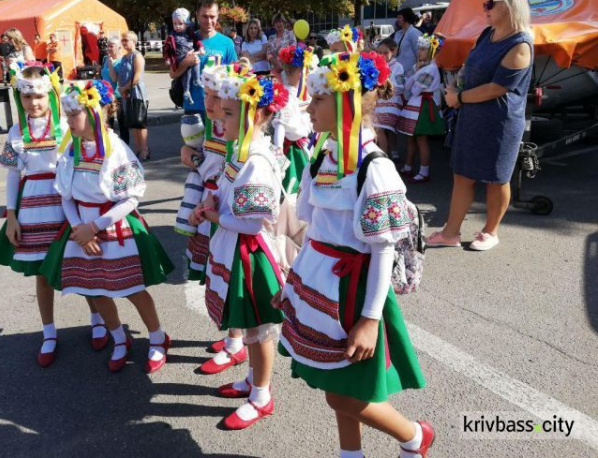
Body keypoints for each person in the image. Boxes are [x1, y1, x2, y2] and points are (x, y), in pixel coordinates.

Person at [276, 51, 433, 458]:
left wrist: (368, 320)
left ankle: (415, 438)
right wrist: (291, 282)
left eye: (319, 100)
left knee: (347, 395)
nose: (309, 108)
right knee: (336, 385)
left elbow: (382, 250)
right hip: (320, 283)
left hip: (354, 293)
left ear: (346, 101)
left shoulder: (374, 168)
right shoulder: (323, 157)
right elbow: (311, 231)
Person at [0, 66, 105, 367]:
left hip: (65, 202)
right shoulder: (15, 131)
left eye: (39, 96)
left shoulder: (65, 125)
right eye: (26, 97)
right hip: (33, 208)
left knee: (82, 264)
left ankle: (98, 319)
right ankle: (49, 332)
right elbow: (13, 176)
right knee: (41, 273)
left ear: (50, 93)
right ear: (19, 97)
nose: (33, 103)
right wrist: (11, 215)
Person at [54, 80, 174, 373]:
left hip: (112, 226)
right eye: (68, 116)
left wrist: (94, 226)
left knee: (132, 288)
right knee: (95, 290)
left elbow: (131, 198)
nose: (68, 121)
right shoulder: (72, 149)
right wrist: (80, 229)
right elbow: (66, 196)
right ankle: (119, 337)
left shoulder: (116, 149)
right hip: (82, 229)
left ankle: (158, 338)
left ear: (95, 113)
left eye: (74, 115)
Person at [195, 73, 288, 430]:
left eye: (230, 113)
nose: (221, 118)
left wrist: (216, 214)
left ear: (255, 116)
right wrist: (210, 200)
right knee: (248, 324)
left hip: (252, 254)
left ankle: (261, 396)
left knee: (259, 327)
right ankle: (253, 380)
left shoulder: (258, 160)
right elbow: (227, 189)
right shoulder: (242, 151)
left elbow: (252, 223)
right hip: (236, 248)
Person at [428, 0, 534, 251]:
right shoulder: (488, 34)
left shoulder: (520, 44)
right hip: (473, 117)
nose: (484, 8)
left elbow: (497, 88)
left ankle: (490, 231)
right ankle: (451, 233)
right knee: (462, 174)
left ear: (510, 6)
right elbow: (469, 65)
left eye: (490, 3)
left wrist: (459, 98)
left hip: (500, 123)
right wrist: (456, 86)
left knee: (496, 178)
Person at [179, 63, 249, 377]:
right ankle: (233, 337)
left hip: (226, 214)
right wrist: (189, 154)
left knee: (228, 275)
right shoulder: (214, 125)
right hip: (209, 211)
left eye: (215, 97)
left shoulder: (238, 132)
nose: (208, 102)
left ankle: (236, 343)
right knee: (216, 274)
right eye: (205, 94)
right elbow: (206, 163)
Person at [170, 0, 237, 119]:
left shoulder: (227, 43)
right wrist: (186, 63)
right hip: (193, 107)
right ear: (197, 15)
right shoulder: (185, 40)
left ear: (217, 16)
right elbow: (173, 74)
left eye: (212, 17)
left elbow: (235, 76)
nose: (209, 21)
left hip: (219, 109)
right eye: (205, 16)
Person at [397, 35, 446, 183]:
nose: (420, 52)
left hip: (424, 106)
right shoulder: (420, 67)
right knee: (411, 137)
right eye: (419, 49)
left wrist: (416, 72)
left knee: (421, 139)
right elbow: (406, 86)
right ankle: (408, 166)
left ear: (431, 51)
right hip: (416, 105)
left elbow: (415, 90)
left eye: (423, 49)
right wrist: (416, 71)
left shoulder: (431, 69)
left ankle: (424, 171)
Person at [274, 45, 315, 195]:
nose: (308, 73)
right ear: (300, 73)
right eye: (306, 70)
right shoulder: (286, 96)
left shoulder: (306, 95)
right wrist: (278, 149)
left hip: (306, 146)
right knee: (294, 184)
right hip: (292, 151)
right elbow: (280, 124)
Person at [109, 31, 150, 160]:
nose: (124, 42)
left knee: (140, 122)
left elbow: (137, 76)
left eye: (126, 40)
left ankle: (144, 150)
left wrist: (124, 88)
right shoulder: (125, 57)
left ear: (134, 41)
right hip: (126, 95)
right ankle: (137, 148)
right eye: (123, 40)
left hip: (137, 93)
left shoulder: (137, 56)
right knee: (133, 123)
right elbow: (116, 77)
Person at [163, 7, 204, 106]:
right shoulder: (172, 36)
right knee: (190, 67)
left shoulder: (190, 34)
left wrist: (201, 48)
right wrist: (168, 59)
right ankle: (190, 87)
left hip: (190, 54)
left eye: (180, 24)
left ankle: (193, 83)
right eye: (175, 24)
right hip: (180, 57)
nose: (177, 26)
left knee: (193, 64)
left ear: (186, 24)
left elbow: (197, 42)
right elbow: (167, 49)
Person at [373, 38, 405, 161]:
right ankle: (386, 153)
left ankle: (385, 156)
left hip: (392, 103)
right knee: (379, 129)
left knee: (383, 128)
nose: (381, 55)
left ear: (393, 51)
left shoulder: (398, 67)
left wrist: (385, 87)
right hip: (378, 103)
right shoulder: (375, 66)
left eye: (385, 52)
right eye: (379, 52)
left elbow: (400, 87)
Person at [101, 36, 127, 142]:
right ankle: (110, 145)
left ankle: (126, 147)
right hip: (106, 96)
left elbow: (114, 78)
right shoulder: (105, 59)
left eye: (111, 46)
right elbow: (103, 75)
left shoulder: (121, 61)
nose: (108, 49)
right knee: (108, 123)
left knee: (122, 124)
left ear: (119, 48)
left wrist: (111, 65)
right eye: (108, 46)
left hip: (118, 96)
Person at [393, 8, 422, 77]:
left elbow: (419, 53)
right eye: (397, 17)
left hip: (411, 73)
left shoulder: (414, 33)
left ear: (406, 18)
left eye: (400, 17)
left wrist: (418, 70)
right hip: (398, 72)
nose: (398, 20)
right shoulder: (397, 33)